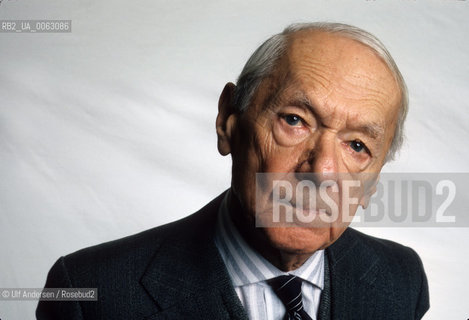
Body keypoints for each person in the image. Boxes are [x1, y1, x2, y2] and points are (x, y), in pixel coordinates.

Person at [36, 22, 429, 320]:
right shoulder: (89, 291)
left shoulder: (401, 280)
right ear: (228, 119)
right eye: (295, 120)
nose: (323, 172)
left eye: (358, 146)